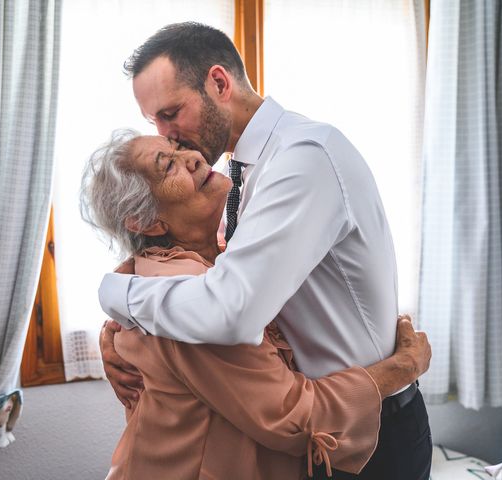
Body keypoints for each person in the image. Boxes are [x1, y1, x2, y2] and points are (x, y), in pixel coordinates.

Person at [98, 22, 432, 479]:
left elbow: (231, 308)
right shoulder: (243, 171)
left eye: (171, 113)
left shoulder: (301, 159)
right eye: (155, 122)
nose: (168, 135)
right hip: (323, 429)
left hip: (369, 433)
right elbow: (212, 266)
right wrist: (117, 325)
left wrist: (116, 294)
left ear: (219, 83)